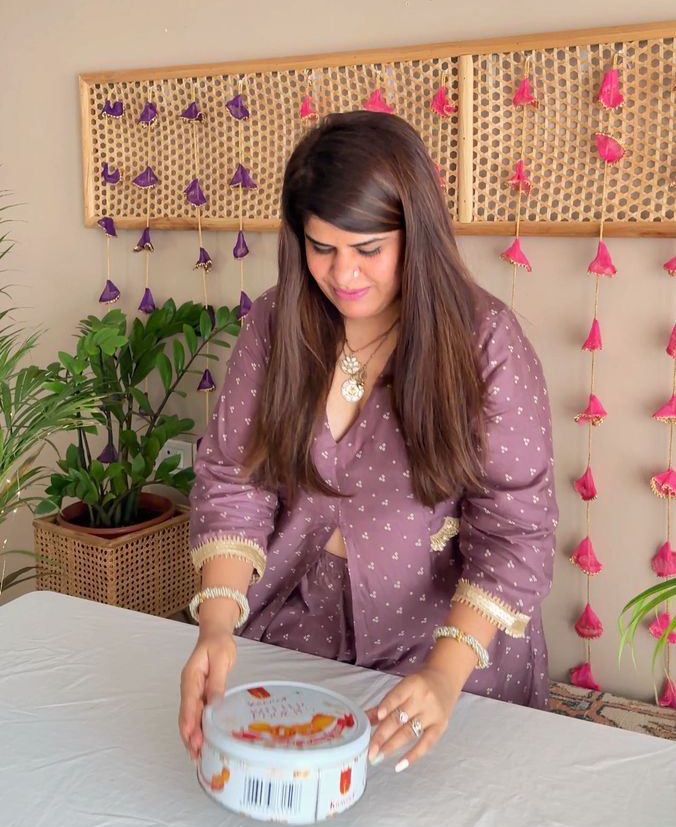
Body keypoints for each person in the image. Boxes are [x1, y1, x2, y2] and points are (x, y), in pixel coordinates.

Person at [179, 111, 557, 774]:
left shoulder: (486, 343)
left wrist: (444, 674)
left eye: (367, 249)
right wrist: (215, 624)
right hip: (296, 628)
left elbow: (515, 535)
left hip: (446, 643)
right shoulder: (274, 324)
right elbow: (233, 484)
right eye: (321, 248)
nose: (343, 274)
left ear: (416, 233)